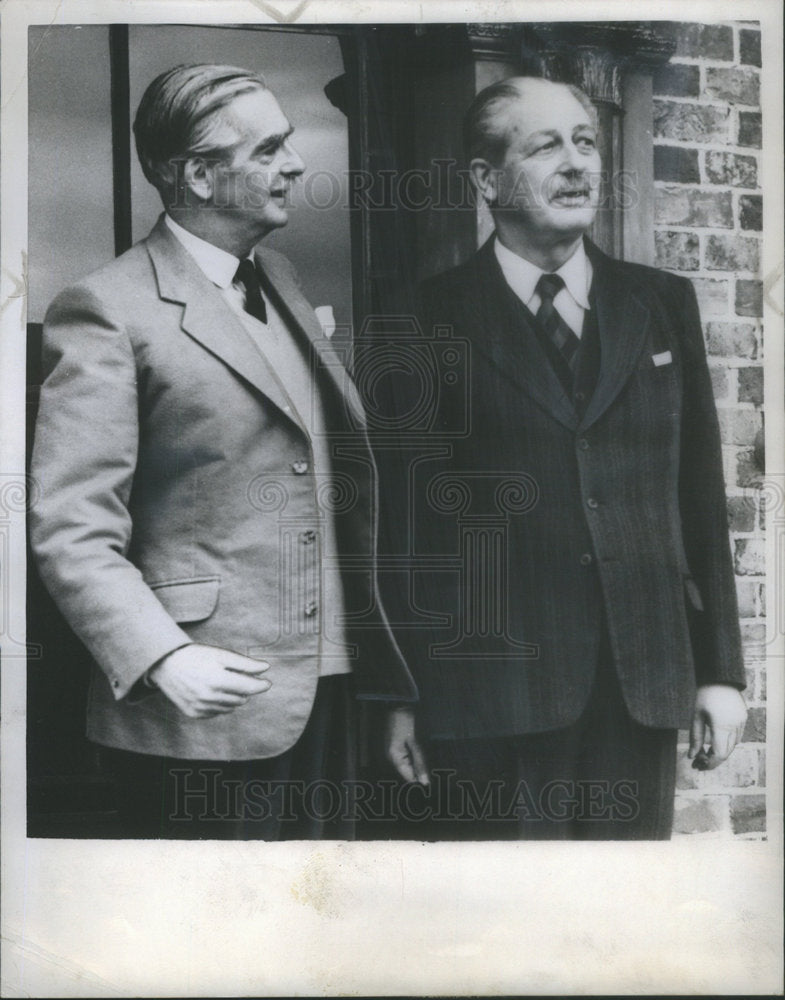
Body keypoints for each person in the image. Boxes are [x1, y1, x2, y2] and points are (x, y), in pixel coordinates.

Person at [29, 63, 425, 840]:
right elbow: (70, 526)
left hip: (330, 696)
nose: (296, 164)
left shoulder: (278, 276)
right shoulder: (105, 310)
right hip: (203, 710)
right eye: (269, 148)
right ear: (200, 178)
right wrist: (163, 658)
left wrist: (386, 687)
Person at [377, 75, 747, 839]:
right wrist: (397, 695)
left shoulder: (659, 303)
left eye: (585, 142)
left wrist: (719, 673)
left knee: (619, 930)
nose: (576, 164)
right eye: (545, 147)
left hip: (637, 682)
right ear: (485, 178)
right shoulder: (422, 318)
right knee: (505, 927)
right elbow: (400, 527)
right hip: (486, 694)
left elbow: (697, 498)